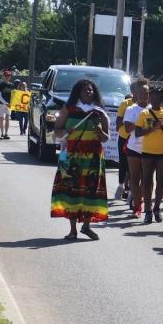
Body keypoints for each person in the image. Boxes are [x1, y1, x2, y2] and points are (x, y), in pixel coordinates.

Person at [51, 79, 109, 240]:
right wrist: (65, 130)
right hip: (70, 155)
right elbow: (56, 132)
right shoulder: (68, 109)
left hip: (93, 157)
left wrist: (99, 131)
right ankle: (72, 230)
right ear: (78, 92)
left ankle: (86, 226)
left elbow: (105, 138)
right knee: (71, 190)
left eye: (91, 90)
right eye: (85, 90)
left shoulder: (99, 112)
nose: (88, 92)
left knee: (90, 191)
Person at [134, 86, 163, 224]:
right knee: (146, 182)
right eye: (153, 97)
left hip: (162, 152)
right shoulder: (144, 113)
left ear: (162, 99)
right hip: (147, 152)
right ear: (150, 98)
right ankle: (148, 211)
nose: (156, 99)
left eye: (159, 97)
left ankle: (157, 208)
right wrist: (152, 128)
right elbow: (137, 133)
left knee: (161, 182)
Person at [123, 78, 152, 217]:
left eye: (146, 92)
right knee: (135, 178)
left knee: (147, 179)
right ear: (135, 94)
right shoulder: (131, 109)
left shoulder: (154, 110)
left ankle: (147, 205)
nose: (143, 95)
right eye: (140, 92)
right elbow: (128, 128)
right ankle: (137, 206)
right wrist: (140, 122)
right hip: (134, 147)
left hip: (150, 149)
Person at [113, 87, 138, 201]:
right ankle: (121, 186)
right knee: (123, 163)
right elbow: (118, 122)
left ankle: (131, 191)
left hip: (138, 139)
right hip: (124, 138)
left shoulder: (148, 106)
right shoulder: (125, 104)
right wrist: (124, 123)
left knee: (134, 166)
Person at [0, 69, 14, 139]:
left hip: (8, 104)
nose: (7, 77)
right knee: (1, 118)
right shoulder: (0, 85)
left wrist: (11, 103)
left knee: (7, 118)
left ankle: (6, 133)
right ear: (3, 76)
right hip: (1, 103)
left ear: (10, 77)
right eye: (6, 76)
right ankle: (2, 133)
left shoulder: (11, 85)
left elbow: (14, 96)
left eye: (8, 76)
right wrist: (6, 103)